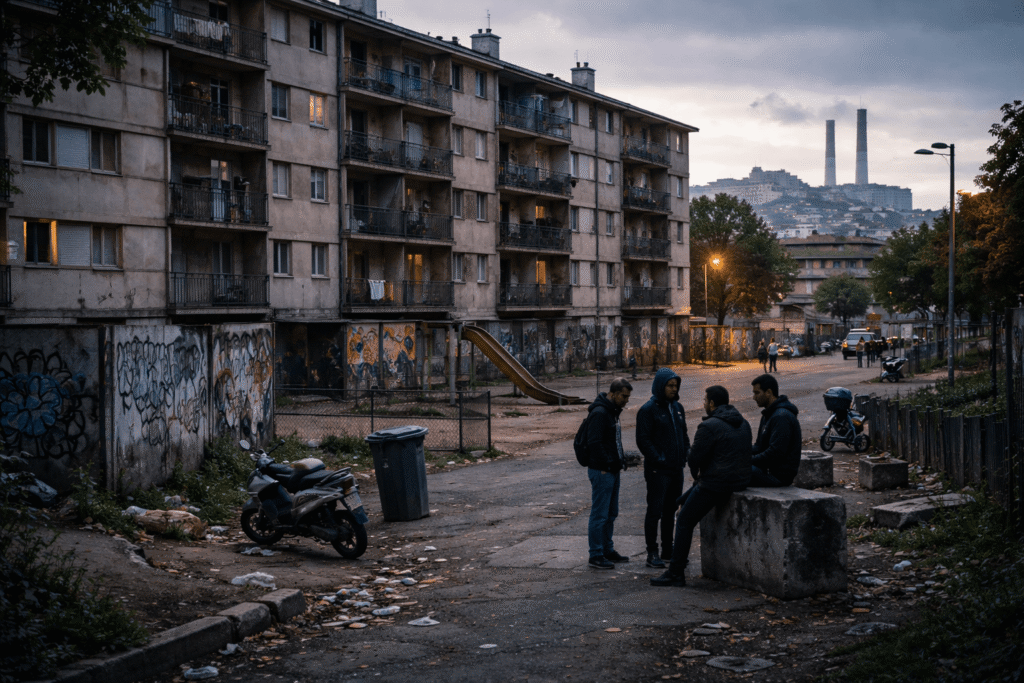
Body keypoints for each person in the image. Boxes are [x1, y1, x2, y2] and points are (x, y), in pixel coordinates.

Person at [651, 385, 751, 587]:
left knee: (684, 520)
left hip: (716, 484)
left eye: (705, 401)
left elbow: (695, 459)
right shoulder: (744, 423)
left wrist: (695, 468)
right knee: (684, 499)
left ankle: (676, 572)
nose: (704, 404)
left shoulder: (709, 426)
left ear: (712, 403)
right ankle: (681, 500)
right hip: (740, 480)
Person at [636, 369, 690, 569]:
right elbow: (643, 440)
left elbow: (684, 435)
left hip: (676, 469)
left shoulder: (677, 408)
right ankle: (652, 552)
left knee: (671, 511)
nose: (674, 389)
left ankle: (668, 549)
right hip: (658, 471)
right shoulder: (648, 410)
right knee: (655, 511)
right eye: (670, 385)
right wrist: (658, 459)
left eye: (676, 386)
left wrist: (686, 454)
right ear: (660, 386)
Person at [585, 378, 633, 569]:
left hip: (612, 469)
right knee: (600, 514)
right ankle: (596, 554)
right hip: (602, 471)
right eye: (623, 396)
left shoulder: (612, 412)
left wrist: (619, 462)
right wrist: (606, 464)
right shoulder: (600, 413)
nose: (626, 400)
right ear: (612, 394)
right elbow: (594, 442)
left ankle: (607, 549)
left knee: (611, 513)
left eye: (628, 397)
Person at [749, 373, 802, 487]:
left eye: (757, 393)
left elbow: (774, 454)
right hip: (767, 470)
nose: (754, 397)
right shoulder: (768, 414)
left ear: (768, 392)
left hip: (778, 477)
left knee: (734, 471)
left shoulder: (781, 417)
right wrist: (740, 452)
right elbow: (759, 446)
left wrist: (748, 460)